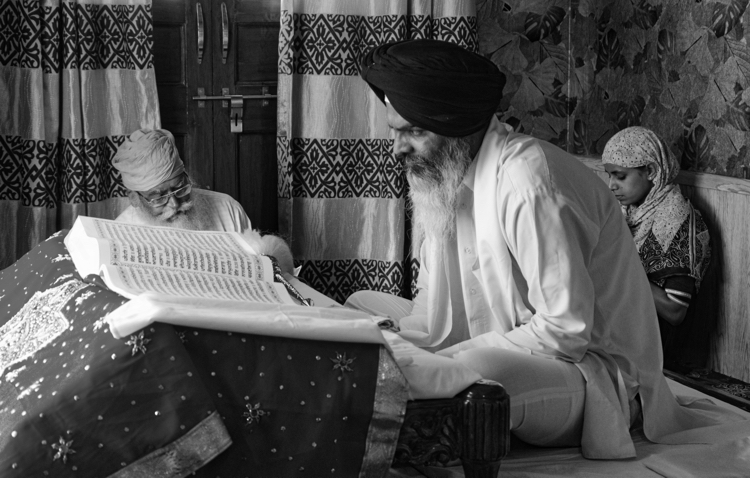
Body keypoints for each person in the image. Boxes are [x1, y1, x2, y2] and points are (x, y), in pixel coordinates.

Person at [345, 39, 743, 459]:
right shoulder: (445, 176)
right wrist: (408, 344)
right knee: (361, 306)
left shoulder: (525, 180)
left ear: (457, 123)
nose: (397, 149)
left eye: (415, 131)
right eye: (396, 131)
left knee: (483, 372)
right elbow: (432, 302)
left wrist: (437, 359)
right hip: (510, 345)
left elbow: (565, 331)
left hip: (591, 373)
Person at [602, 127, 711, 370]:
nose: (611, 185)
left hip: (658, 350)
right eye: (609, 175)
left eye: (620, 176)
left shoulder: (675, 221)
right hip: (623, 335)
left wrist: (620, 267)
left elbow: (675, 311)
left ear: (651, 171)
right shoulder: (630, 212)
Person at [112, 128, 251, 233]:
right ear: (134, 199)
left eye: (180, 188)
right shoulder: (119, 234)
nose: (174, 204)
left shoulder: (229, 209)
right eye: (159, 197)